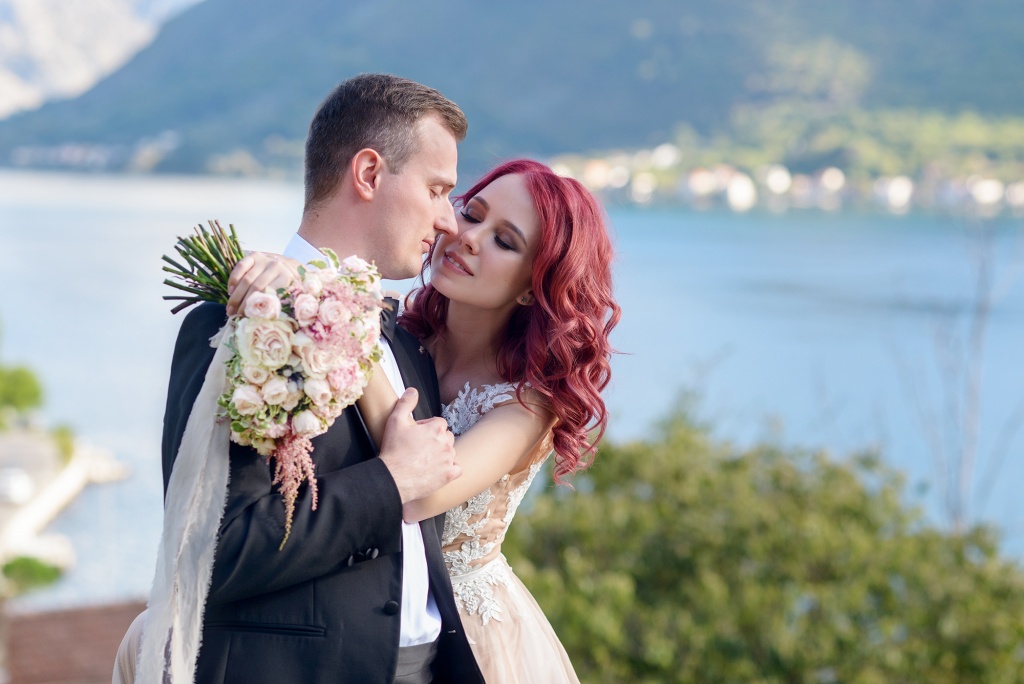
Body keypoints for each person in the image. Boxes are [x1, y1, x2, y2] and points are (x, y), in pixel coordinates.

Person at [114, 73, 485, 684]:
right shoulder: (238, 322)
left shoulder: (408, 344)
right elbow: (209, 552)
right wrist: (390, 481)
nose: (448, 220)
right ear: (369, 173)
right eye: (437, 189)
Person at [257, 159, 620, 681]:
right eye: (472, 214)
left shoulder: (527, 404)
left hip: (464, 636)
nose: (468, 237)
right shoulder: (396, 333)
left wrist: (333, 317)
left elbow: (421, 494)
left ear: (533, 286)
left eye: (505, 241)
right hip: (350, 611)